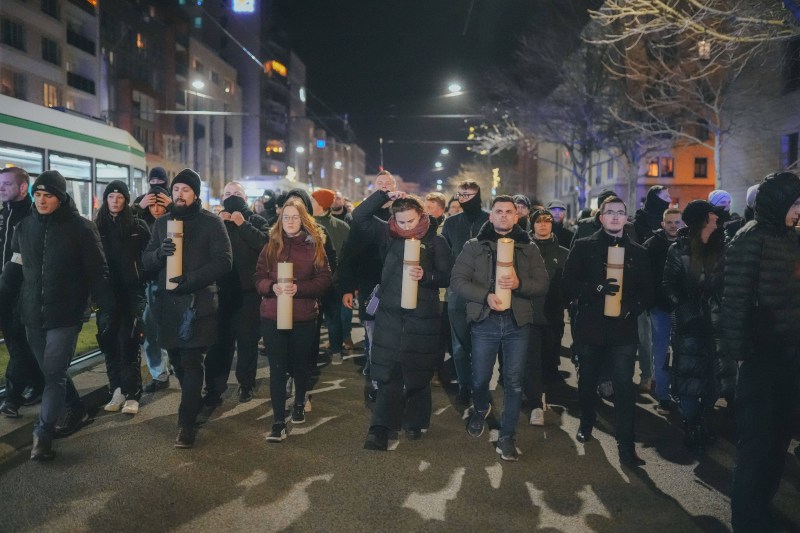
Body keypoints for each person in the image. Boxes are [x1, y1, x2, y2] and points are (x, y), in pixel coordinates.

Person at [0, 171, 114, 461]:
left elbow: (98, 273)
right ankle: (73, 409)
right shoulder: (24, 229)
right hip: (32, 317)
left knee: (53, 374)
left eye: (47, 195)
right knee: (50, 371)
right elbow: (14, 271)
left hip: (66, 316)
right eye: (37, 195)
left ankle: (43, 433)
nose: (41, 200)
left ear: (60, 198)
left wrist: (106, 310)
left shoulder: (81, 229)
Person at [722, 172, 800, 531]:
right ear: (777, 202)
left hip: (789, 356)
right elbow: (734, 301)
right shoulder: (749, 238)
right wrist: (740, 354)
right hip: (759, 357)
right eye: (795, 203)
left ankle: (762, 510)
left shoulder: (791, 238)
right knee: (757, 446)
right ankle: (747, 519)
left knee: (778, 443)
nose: (799, 210)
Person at [451, 195, 548, 460]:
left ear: (517, 217)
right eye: (498, 211)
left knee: (514, 383)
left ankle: (507, 436)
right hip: (485, 321)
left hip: (518, 323)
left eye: (509, 211)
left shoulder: (528, 248)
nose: (504, 215)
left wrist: (519, 285)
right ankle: (481, 406)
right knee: (480, 378)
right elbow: (458, 281)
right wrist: (485, 296)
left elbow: (542, 284)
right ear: (490, 216)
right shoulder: (474, 246)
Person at [142, 169, 232, 449]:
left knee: (192, 363)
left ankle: (185, 424)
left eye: (185, 190)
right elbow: (146, 260)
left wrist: (191, 280)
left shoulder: (212, 223)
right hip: (168, 307)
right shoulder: (162, 224)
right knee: (179, 362)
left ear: (195, 194)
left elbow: (224, 261)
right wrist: (159, 254)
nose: (179, 194)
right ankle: (192, 404)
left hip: (197, 305)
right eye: (176, 189)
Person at [355, 190, 451, 451]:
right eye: (401, 222)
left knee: (418, 371)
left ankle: (416, 420)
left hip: (423, 317)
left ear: (421, 215)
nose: (407, 227)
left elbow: (447, 276)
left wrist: (427, 276)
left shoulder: (435, 242)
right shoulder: (389, 235)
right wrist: (383, 194)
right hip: (391, 316)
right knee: (389, 372)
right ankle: (380, 429)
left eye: (411, 221)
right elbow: (359, 216)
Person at [562, 195, 653, 468]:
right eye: (609, 212)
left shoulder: (639, 252)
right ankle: (587, 422)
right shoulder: (583, 246)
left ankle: (626, 446)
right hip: (590, 326)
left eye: (620, 212)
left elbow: (648, 292)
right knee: (587, 380)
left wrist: (631, 308)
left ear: (626, 218)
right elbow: (568, 284)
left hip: (622, 331)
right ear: (600, 218)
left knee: (624, 387)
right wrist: (597, 288)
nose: (615, 216)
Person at [254, 198, 331, 443]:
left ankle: (299, 401)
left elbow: (325, 279)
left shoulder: (315, 245)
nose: (289, 221)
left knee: (300, 365)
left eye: (294, 217)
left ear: (303, 219)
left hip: (303, 316)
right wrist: (271, 286)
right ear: (280, 219)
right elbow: (258, 277)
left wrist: (299, 288)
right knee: (277, 368)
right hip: (272, 314)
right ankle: (278, 421)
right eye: (286, 217)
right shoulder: (270, 246)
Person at [662, 201, 724, 453]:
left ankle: (701, 420)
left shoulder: (724, 247)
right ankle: (690, 423)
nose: (717, 218)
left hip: (717, 323)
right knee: (688, 377)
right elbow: (668, 285)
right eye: (712, 214)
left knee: (714, 377)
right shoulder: (679, 249)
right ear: (702, 219)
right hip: (689, 324)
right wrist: (685, 310)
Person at [202, 181, 269, 412]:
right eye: (228, 193)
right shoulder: (213, 221)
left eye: (237, 194)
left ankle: (246, 383)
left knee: (247, 342)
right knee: (219, 343)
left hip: (248, 293)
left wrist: (242, 225)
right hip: (219, 291)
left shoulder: (256, 221)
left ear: (246, 198)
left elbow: (266, 247)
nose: (232, 197)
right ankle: (213, 387)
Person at [95, 181, 150, 415]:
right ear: (106, 200)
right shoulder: (97, 227)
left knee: (129, 343)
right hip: (107, 294)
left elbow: (149, 257)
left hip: (132, 293)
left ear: (126, 200)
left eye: (119, 197)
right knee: (109, 343)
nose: (115, 201)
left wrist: (141, 276)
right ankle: (116, 389)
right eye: (111, 197)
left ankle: (132, 393)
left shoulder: (138, 226)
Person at [0, 167, 44, 418]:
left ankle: (12, 398)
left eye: (6, 184)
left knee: (18, 345)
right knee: (19, 344)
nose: (1, 188)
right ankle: (39, 386)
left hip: (24, 291)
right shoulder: (3, 215)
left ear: (23, 187)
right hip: (4, 290)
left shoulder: (33, 215)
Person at [442, 180, 489, 406]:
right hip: (458, 290)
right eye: (461, 194)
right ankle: (463, 386)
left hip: (484, 290)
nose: (464, 198)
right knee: (459, 345)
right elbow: (446, 253)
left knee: (483, 343)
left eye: (469, 194)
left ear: (478, 195)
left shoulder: (489, 219)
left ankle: (481, 386)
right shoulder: (450, 223)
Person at [526, 208, 569, 427]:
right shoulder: (523, 250)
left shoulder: (563, 253)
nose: (543, 225)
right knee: (532, 361)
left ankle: (545, 395)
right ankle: (535, 403)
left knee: (550, 360)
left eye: (547, 221)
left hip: (553, 316)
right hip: (529, 316)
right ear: (532, 225)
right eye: (538, 221)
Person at [643, 207, 684, 415]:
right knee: (661, 351)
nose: (674, 226)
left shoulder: (688, 244)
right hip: (660, 307)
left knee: (682, 351)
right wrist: (651, 303)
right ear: (662, 224)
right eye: (670, 222)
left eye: (677, 222)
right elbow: (647, 278)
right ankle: (663, 395)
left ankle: (679, 391)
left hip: (683, 308)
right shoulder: (652, 246)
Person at [139, 184, 172, 393]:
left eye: (160, 204)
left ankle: (174, 364)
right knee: (150, 329)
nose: (156, 209)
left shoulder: (175, 220)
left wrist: (173, 208)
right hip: (151, 282)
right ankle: (159, 373)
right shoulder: (141, 225)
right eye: (152, 205)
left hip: (174, 283)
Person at [311, 188, 350, 365]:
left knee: (329, 318)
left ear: (320, 204)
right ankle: (335, 352)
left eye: (313, 200)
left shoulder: (340, 226)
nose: (310, 203)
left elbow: (349, 255)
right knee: (329, 318)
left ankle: (334, 350)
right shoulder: (340, 226)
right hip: (326, 280)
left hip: (330, 281)